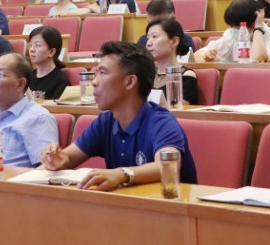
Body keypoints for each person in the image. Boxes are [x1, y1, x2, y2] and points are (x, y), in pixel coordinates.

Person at [34, 42, 197, 191]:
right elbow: (68, 158)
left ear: (130, 82)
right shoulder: (105, 121)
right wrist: (54, 159)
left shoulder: (161, 122)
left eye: (103, 73)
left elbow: (168, 165)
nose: (94, 82)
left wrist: (122, 174)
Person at [191, 0, 270, 63]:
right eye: (232, 27)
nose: (234, 31)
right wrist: (206, 56)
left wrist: (258, 27)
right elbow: (196, 56)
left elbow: (259, 59)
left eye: (239, 28)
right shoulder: (230, 36)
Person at [144, 17, 202, 106]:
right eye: (148, 38)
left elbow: (178, 110)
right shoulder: (146, 74)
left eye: (155, 36)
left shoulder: (185, 76)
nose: (148, 43)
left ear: (174, 41)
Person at [25, 26, 71, 101]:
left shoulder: (61, 81)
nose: (32, 49)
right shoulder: (28, 77)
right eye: (30, 45)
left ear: (51, 51)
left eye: (37, 45)